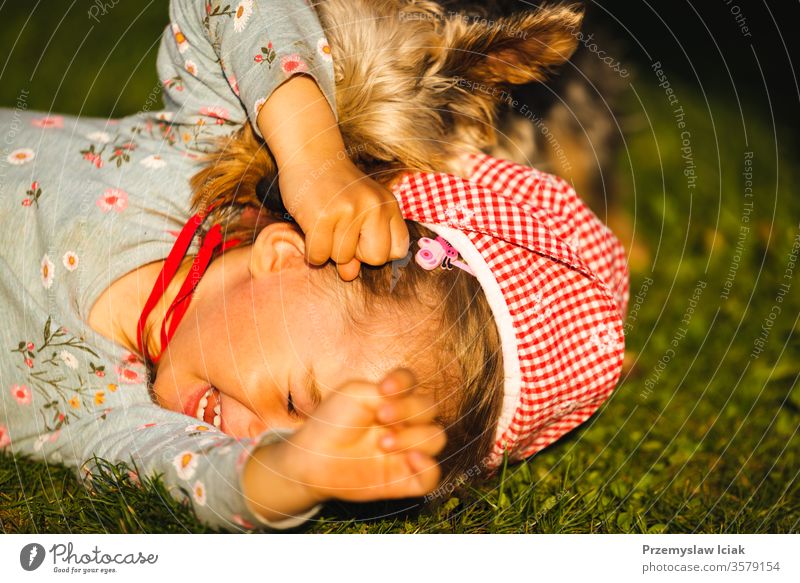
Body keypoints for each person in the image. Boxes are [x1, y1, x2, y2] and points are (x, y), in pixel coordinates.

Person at [0, 0, 629, 531]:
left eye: (287, 433)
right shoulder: (195, 149)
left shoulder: (108, 409)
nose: (256, 434)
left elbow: (202, 474)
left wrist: (294, 471)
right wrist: (312, 156)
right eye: (298, 399)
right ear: (284, 256)